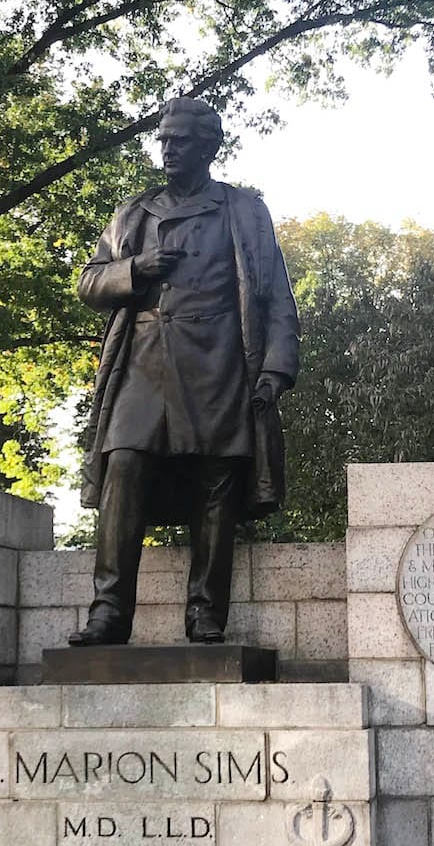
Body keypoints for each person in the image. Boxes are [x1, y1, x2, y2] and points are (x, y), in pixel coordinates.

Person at [71, 97, 299, 646]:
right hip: (143, 361)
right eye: (164, 140)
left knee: (216, 481)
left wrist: (275, 369)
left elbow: (276, 298)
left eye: (181, 141)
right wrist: (135, 268)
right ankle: (108, 613)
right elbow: (89, 283)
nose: (169, 149)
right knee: (123, 467)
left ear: (209, 147)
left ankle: (205, 614)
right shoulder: (134, 213)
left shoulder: (242, 209)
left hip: (219, 359)